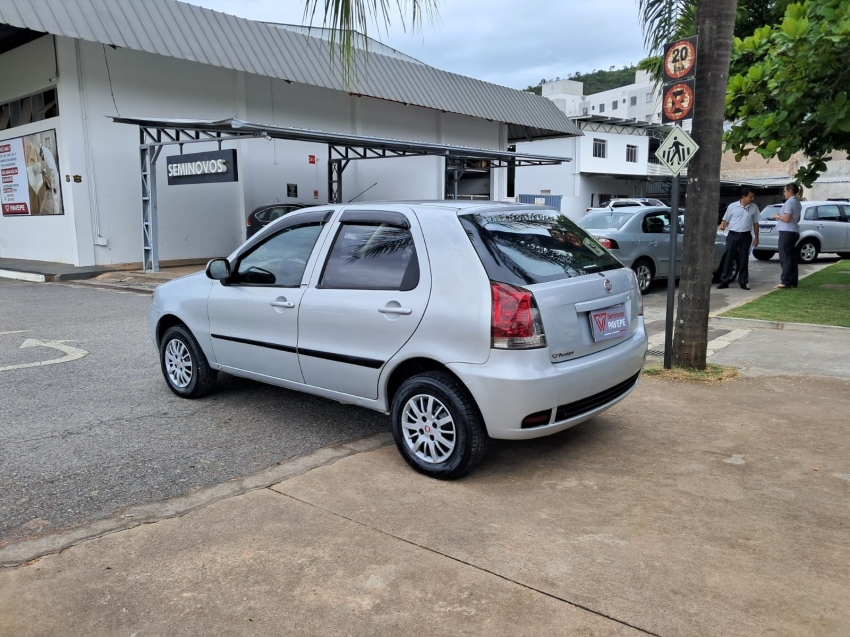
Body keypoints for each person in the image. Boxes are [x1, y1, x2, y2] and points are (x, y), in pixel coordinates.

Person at [717, 188, 760, 290]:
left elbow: (756, 223)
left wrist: (757, 237)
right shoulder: (732, 206)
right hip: (733, 235)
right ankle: (725, 281)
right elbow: (725, 220)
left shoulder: (754, 208)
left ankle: (743, 282)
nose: (752, 199)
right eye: (750, 197)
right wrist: (723, 225)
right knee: (729, 258)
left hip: (746, 236)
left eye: (753, 197)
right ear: (743, 197)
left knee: (743, 259)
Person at [773, 182, 802, 289]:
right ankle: (793, 280)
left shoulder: (789, 203)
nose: (784, 193)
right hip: (794, 231)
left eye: (785, 191)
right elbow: (797, 219)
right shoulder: (797, 203)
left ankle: (785, 281)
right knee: (791, 257)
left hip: (786, 232)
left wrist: (777, 216)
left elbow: (786, 218)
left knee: (785, 257)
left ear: (790, 191)